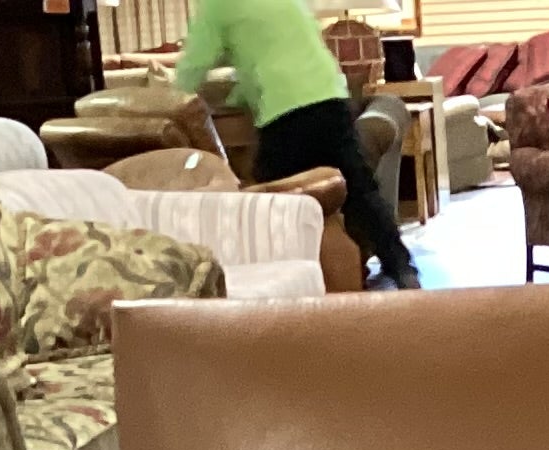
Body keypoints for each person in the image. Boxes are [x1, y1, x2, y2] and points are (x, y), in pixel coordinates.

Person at [175, 0, 418, 287]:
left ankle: (282, 277)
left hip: (283, 109)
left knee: (270, 197)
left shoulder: (218, 5)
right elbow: (271, 48)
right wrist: (241, 91)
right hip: (328, 94)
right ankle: (401, 266)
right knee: (359, 188)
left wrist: (174, 91)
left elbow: (195, 66)